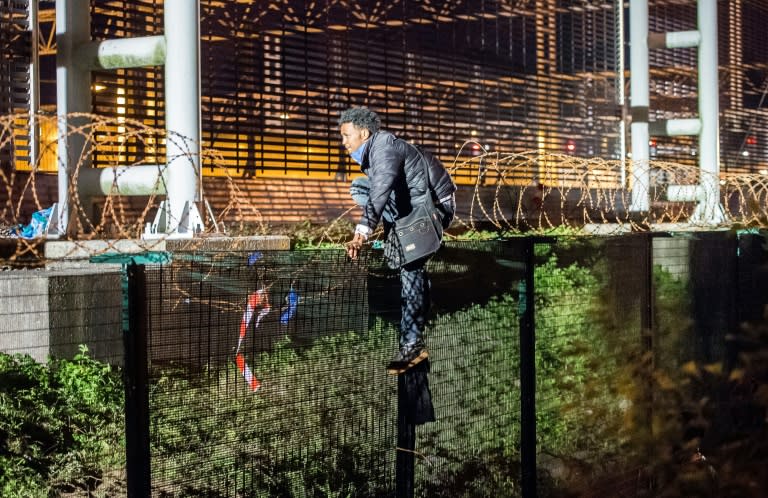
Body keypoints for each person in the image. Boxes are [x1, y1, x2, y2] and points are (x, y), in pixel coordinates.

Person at [339, 106, 456, 374]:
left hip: (433, 207)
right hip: (415, 205)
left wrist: (362, 232)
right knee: (359, 187)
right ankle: (398, 237)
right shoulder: (376, 150)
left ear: (364, 133)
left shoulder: (384, 149)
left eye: (347, 135)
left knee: (410, 269)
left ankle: (412, 345)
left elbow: (380, 191)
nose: (343, 142)